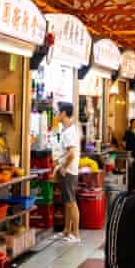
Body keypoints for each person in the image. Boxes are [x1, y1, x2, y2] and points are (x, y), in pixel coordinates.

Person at [56, 102, 81, 243]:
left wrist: (64, 167)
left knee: (71, 203)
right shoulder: (67, 129)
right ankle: (67, 230)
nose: (57, 114)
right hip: (67, 170)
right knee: (67, 202)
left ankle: (76, 234)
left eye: (58, 112)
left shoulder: (70, 131)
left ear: (64, 113)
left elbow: (71, 153)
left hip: (69, 171)